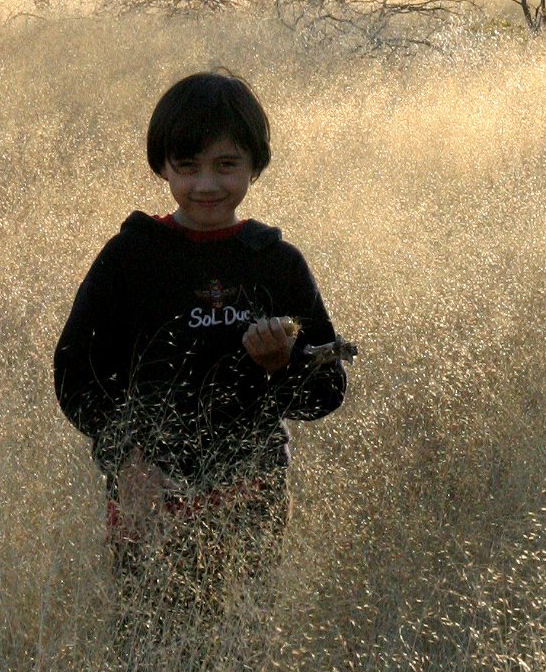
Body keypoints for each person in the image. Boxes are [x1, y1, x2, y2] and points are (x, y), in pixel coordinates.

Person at [54, 71, 349, 619]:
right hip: (149, 491)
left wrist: (282, 365)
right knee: (146, 647)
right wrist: (126, 457)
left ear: (255, 164)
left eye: (226, 165)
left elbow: (326, 391)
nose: (206, 185)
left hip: (253, 491)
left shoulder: (276, 263)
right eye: (187, 167)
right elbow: (76, 372)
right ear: (162, 166)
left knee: (240, 640)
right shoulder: (131, 258)